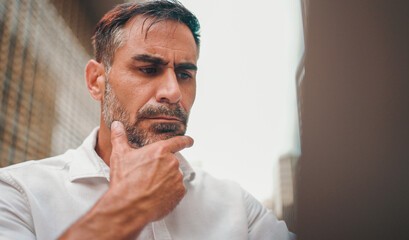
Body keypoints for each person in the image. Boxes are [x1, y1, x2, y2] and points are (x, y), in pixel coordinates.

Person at [0, 1, 291, 239]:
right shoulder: (17, 194)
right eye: (149, 69)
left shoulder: (237, 207)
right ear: (96, 81)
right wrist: (128, 208)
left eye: (185, 74)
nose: (173, 92)